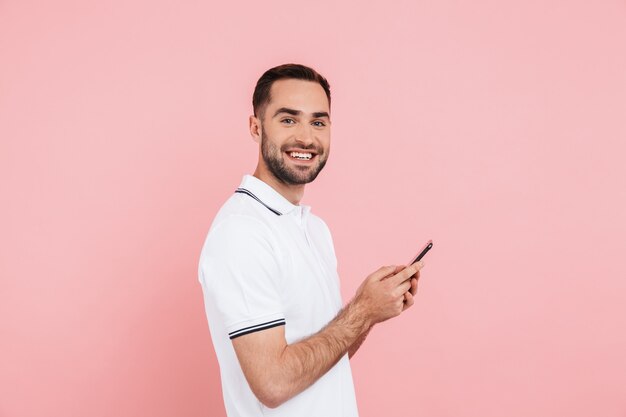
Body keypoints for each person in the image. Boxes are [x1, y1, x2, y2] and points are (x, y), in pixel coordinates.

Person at [198, 63, 424, 417]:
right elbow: (273, 384)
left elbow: (322, 360)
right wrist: (362, 309)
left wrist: (370, 313)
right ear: (256, 128)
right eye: (288, 120)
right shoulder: (242, 232)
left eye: (318, 122)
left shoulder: (313, 228)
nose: (306, 137)